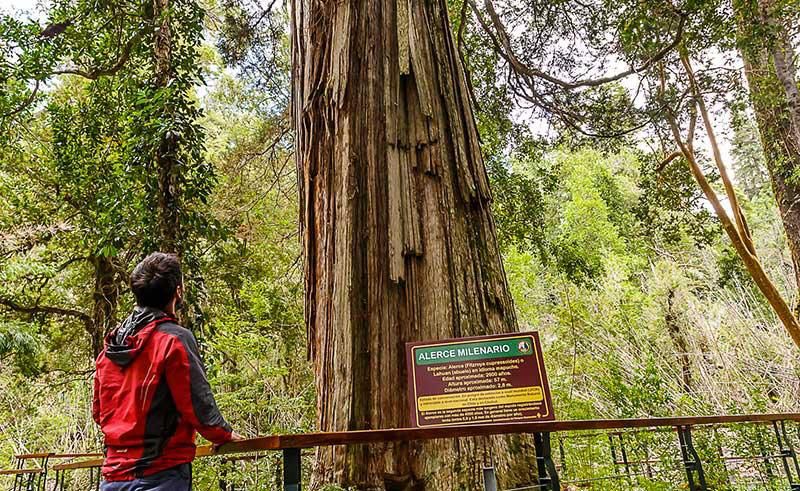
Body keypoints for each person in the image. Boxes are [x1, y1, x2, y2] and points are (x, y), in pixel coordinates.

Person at [93, 252, 243, 490]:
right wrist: (223, 435)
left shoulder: (112, 347)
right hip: (160, 474)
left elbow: (100, 412)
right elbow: (196, 402)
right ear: (178, 292)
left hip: (113, 476)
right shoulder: (173, 340)